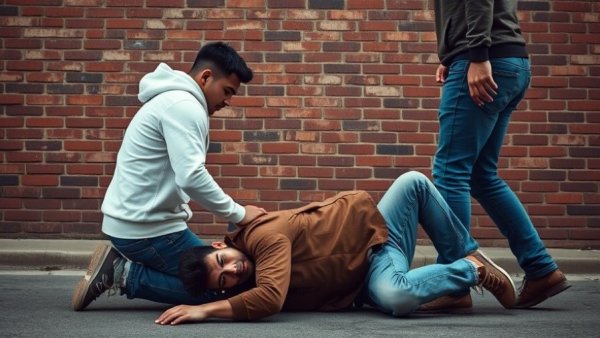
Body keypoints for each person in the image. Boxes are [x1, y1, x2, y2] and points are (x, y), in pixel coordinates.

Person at [155, 171, 517, 325]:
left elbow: (271, 299)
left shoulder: (264, 235)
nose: (233, 272)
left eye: (223, 260)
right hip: (361, 276)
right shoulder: (244, 281)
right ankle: (454, 291)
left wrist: (204, 311)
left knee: (396, 294)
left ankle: (472, 267)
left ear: (221, 244)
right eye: (224, 281)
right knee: (389, 295)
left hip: (373, 245)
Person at [71, 42, 267, 311]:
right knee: (222, 289)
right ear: (206, 77)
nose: (227, 101)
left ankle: (124, 270)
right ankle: (121, 273)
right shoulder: (184, 106)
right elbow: (191, 176)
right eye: (227, 91)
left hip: (144, 222)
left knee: (224, 277)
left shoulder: (175, 101)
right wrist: (239, 213)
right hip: (146, 230)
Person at [430, 0, 570, 311]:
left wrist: (476, 55)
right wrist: (452, 54)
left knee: (450, 172)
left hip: (485, 57)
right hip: (508, 60)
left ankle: (454, 283)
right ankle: (541, 269)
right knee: (481, 175)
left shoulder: (479, 54)